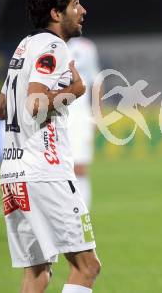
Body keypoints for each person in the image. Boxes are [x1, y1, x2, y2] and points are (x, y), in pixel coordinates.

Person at [0, 0, 101, 293]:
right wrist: (75, 91)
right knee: (86, 266)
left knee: (37, 272)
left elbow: (2, 108)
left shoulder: (24, 46)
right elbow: (36, 104)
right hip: (44, 172)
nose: (82, 10)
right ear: (56, 13)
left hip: (13, 174)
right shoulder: (53, 46)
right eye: (74, 5)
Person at [67, 36, 101, 209]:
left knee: (79, 167)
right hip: (52, 115)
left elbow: (96, 82)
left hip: (79, 115)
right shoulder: (43, 45)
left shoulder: (86, 47)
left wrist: (97, 115)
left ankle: (81, 215)